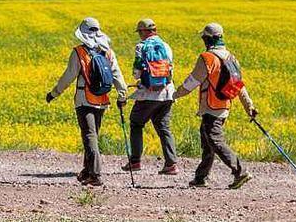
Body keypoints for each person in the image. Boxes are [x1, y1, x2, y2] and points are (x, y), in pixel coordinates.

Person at [174, 22, 258, 189]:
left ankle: (240, 171)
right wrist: (249, 106)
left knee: (215, 140)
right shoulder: (231, 58)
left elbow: (192, 81)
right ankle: (200, 178)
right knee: (207, 141)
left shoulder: (207, 58)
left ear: (207, 39)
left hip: (211, 107)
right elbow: (239, 86)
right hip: (224, 106)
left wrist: (175, 94)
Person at [46, 17, 128, 186]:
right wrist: (122, 95)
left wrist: (54, 93)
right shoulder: (108, 52)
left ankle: (95, 174)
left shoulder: (79, 52)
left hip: (84, 100)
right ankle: (87, 170)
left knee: (89, 136)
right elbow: (117, 75)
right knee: (93, 135)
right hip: (102, 100)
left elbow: (68, 76)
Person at [119, 18, 179, 175]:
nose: (139, 35)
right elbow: (170, 69)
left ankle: (135, 161)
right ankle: (171, 164)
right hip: (167, 92)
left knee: (136, 123)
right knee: (164, 127)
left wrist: (140, 78)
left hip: (149, 93)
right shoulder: (166, 46)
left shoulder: (141, 47)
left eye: (140, 32)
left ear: (144, 32)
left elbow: (136, 72)